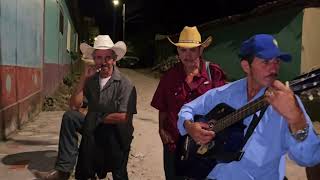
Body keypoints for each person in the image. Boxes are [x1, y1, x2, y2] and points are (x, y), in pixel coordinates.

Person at [177, 34, 320, 180]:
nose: (274, 68)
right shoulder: (225, 93)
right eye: (265, 62)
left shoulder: (289, 103)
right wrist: (190, 127)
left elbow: (310, 158)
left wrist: (296, 119)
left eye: (277, 61)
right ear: (246, 66)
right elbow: (187, 109)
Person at [33, 35, 137, 180]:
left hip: (116, 133)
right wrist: (84, 78)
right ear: (94, 59)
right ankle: (63, 171)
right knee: (70, 117)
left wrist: (96, 117)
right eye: (99, 57)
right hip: (93, 125)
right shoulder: (92, 81)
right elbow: (74, 105)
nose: (104, 62)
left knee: (118, 172)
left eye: (107, 57)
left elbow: (124, 117)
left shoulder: (125, 83)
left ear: (114, 59)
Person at [151, 26, 226, 180]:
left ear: (200, 50)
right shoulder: (170, 77)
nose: (188, 55)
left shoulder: (214, 73)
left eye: (192, 50)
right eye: (183, 50)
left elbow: (224, 107)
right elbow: (163, 106)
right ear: (178, 52)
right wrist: (161, 129)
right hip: (174, 143)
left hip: (205, 144)